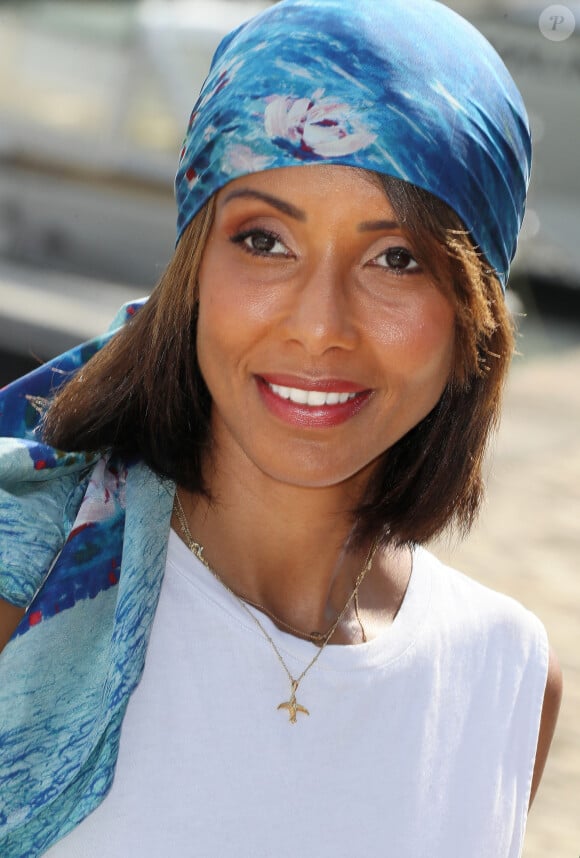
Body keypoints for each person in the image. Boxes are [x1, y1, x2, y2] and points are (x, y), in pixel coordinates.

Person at [0, 0, 562, 855]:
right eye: (264, 241)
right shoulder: (24, 586)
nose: (319, 325)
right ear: (194, 273)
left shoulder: (506, 677)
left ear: (472, 315)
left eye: (396, 258)